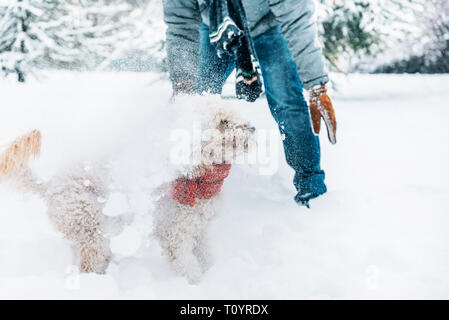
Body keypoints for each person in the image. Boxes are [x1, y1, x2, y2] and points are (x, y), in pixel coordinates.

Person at [162, 0, 337, 207]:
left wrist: (316, 84)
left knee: (287, 103)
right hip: (216, 27)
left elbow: (297, 21)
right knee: (196, 103)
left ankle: (311, 189)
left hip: (268, 26)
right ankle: (192, 184)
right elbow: (181, 25)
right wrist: (183, 87)